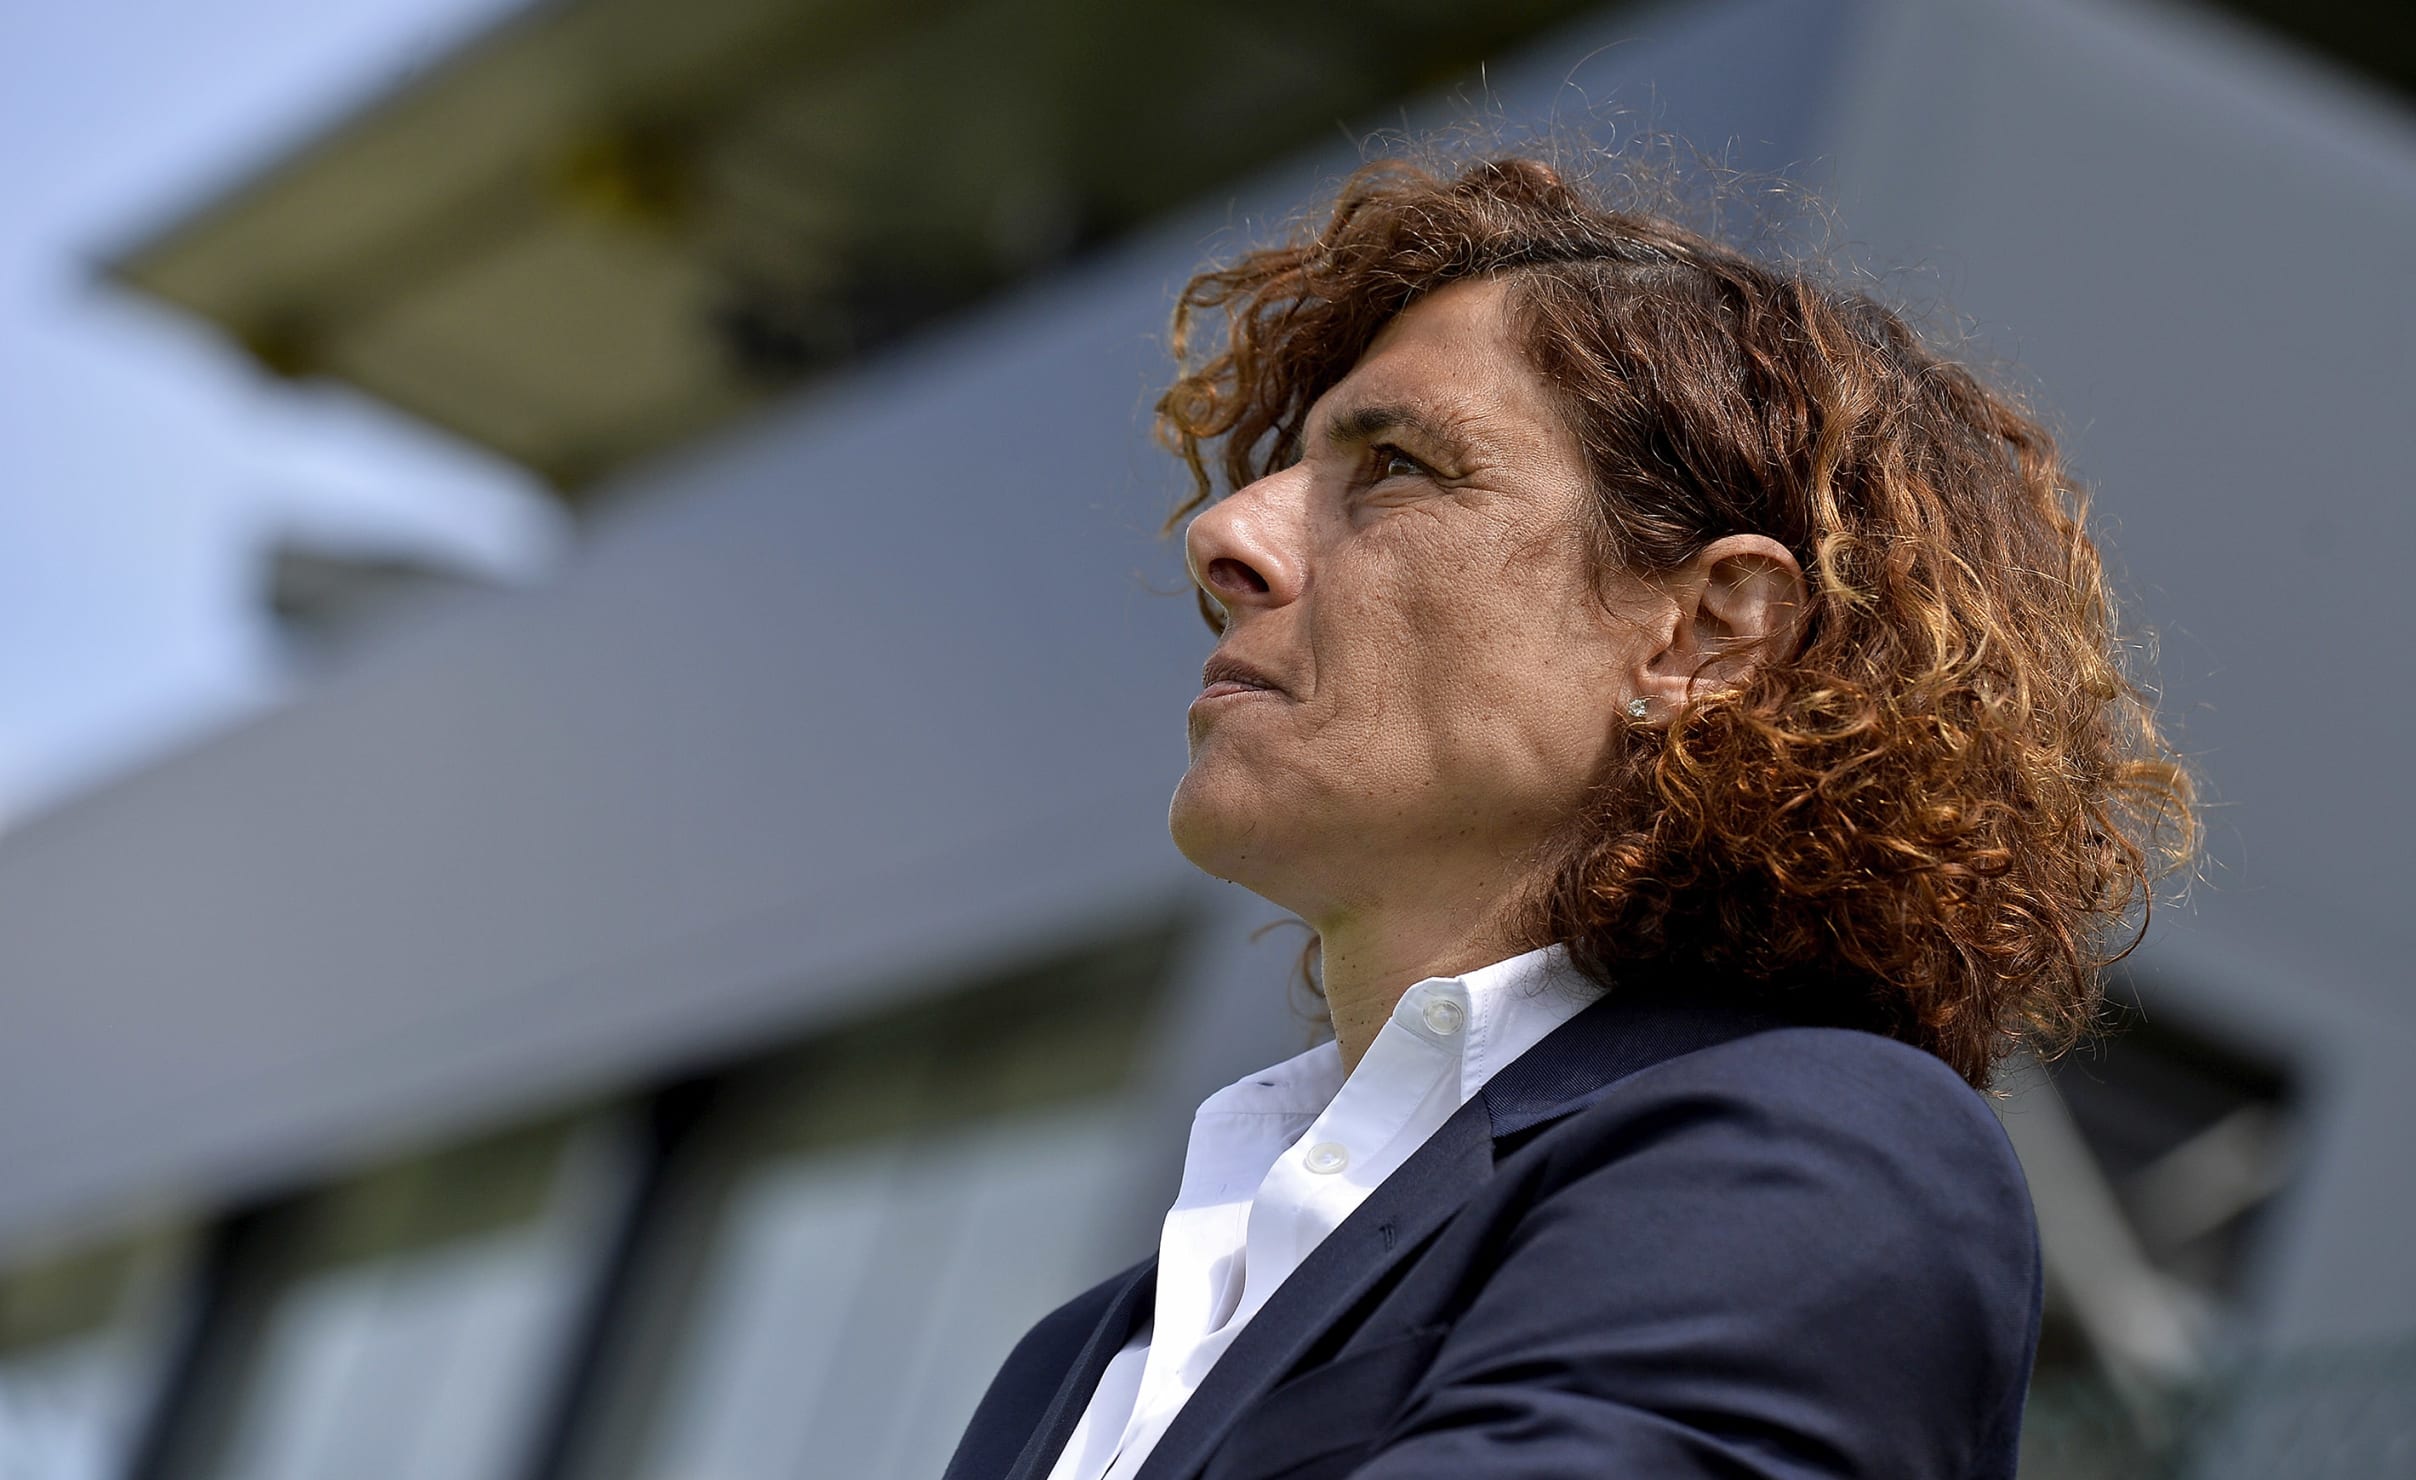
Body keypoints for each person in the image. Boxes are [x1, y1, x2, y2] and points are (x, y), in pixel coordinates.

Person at [942, 152, 2193, 1480]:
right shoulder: (1076, 1359)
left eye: (1397, 466)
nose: (1226, 536)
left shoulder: (1813, 1150)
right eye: (1291, 468)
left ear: (1706, 635)